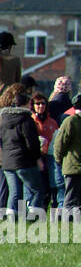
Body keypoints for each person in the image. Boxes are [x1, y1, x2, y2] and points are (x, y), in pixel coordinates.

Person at [52, 88, 81, 219]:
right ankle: (67, 225)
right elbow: (59, 144)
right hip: (74, 168)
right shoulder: (71, 121)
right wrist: (61, 162)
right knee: (71, 200)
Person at [1, 90, 43, 219]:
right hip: (24, 161)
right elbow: (32, 143)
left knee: (14, 191)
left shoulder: (2, 120)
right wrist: (38, 159)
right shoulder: (26, 120)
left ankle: (12, 217)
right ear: (25, 105)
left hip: (7, 163)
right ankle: (33, 215)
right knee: (37, 189)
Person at [31, 92, 59, 212]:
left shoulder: (52, 122)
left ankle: (50, 207)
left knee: (51, 185)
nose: (40, 106)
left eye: (43, 103)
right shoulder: (31, 120)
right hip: (36, 157)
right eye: (37, 104)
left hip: (50, 157)